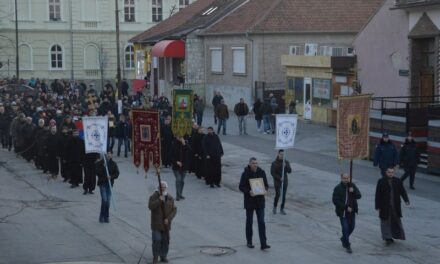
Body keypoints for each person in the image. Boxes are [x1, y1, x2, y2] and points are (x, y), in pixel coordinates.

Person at [239, 157, 270, 250]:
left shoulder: (262, 172)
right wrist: (249, 192)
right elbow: (241, 187)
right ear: (249, 164)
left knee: (261, 222)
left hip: (260, 201)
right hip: (250, 201)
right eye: (253, 163)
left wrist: (265, 190)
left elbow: (266, 185)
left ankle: (263, 244)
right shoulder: (245, 174)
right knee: (249, 222)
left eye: (256, 163)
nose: (255, 165)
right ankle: (249, 242)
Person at [375, 167, 410, 245]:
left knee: (396, 220)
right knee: (385, 221)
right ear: (386, 172)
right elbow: (378, 194)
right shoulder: (381, 181)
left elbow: (402, 191)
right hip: (384, 206)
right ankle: (387, 238)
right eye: (389, 172)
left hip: (395, 206)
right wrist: (377, 206)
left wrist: (406, 200)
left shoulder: (398, 181)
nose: (390, 174)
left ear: (394, 173)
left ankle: (396, 235)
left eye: (392, 172)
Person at [332, 173, 362, 253]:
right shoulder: (337, 188)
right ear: (341, 178)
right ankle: (348, 245)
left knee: (351, 227)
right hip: (343, 212)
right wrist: (345, 207)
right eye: (344, 178)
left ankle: (343, 238)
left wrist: (353, 191)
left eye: (347, 178)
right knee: (345, 228)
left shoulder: (352, 186)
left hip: (352, 212)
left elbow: (359, 196)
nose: (346, 180)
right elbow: (335, 200)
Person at [148, 181, 177, 263]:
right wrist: (159, 200)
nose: (162, 188)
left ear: (166, 188)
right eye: (161, 187)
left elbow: (174, 210)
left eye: (164, 187)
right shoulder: (154, 196)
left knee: (165, 241)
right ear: (158, 188)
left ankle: (163, 256)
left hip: (166, 224)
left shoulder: (170, 198)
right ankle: (155, 256)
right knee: (157, 240)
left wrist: (168, 219)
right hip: (156, 224)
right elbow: (150, 206)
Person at [95, 151, 119, 223]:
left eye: (110, 154)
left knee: (108, 202)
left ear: (112, 155)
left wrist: (111, 177)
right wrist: (103, 167)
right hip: (102, 184)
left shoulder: (113, 164)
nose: (108, 155)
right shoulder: (100, 163)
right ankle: (103, 216)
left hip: (109, 185)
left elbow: (117, 173)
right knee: (104, 200)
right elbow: (97, 173)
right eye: (107, 153)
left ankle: (105, 216)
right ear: (104, 154)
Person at [270, 149, 292, 215]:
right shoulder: (274, 163)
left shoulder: (286, 162)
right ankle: (275, 207)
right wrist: (279, 178)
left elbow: (289, 171)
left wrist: (286, 166)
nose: (282, 156)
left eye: (283, 154)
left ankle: (282, 209)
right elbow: (272, 173)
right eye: (281, 154)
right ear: (278, 154)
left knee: (283, 196)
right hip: (277, 181)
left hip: (285, 181)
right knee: (278, 194)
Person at [171, 136, 188, 201]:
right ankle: (177, 196)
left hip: (184, 166)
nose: (180, 138)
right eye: (179, 137)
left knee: (182, 181)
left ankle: (180, 194)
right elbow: (171, 155)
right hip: (176, 167)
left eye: (181, 137)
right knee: (178, 179)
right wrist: (176, 162)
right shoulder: (173, 144)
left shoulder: (185, 144)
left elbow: (188, 153)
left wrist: (184, 144)